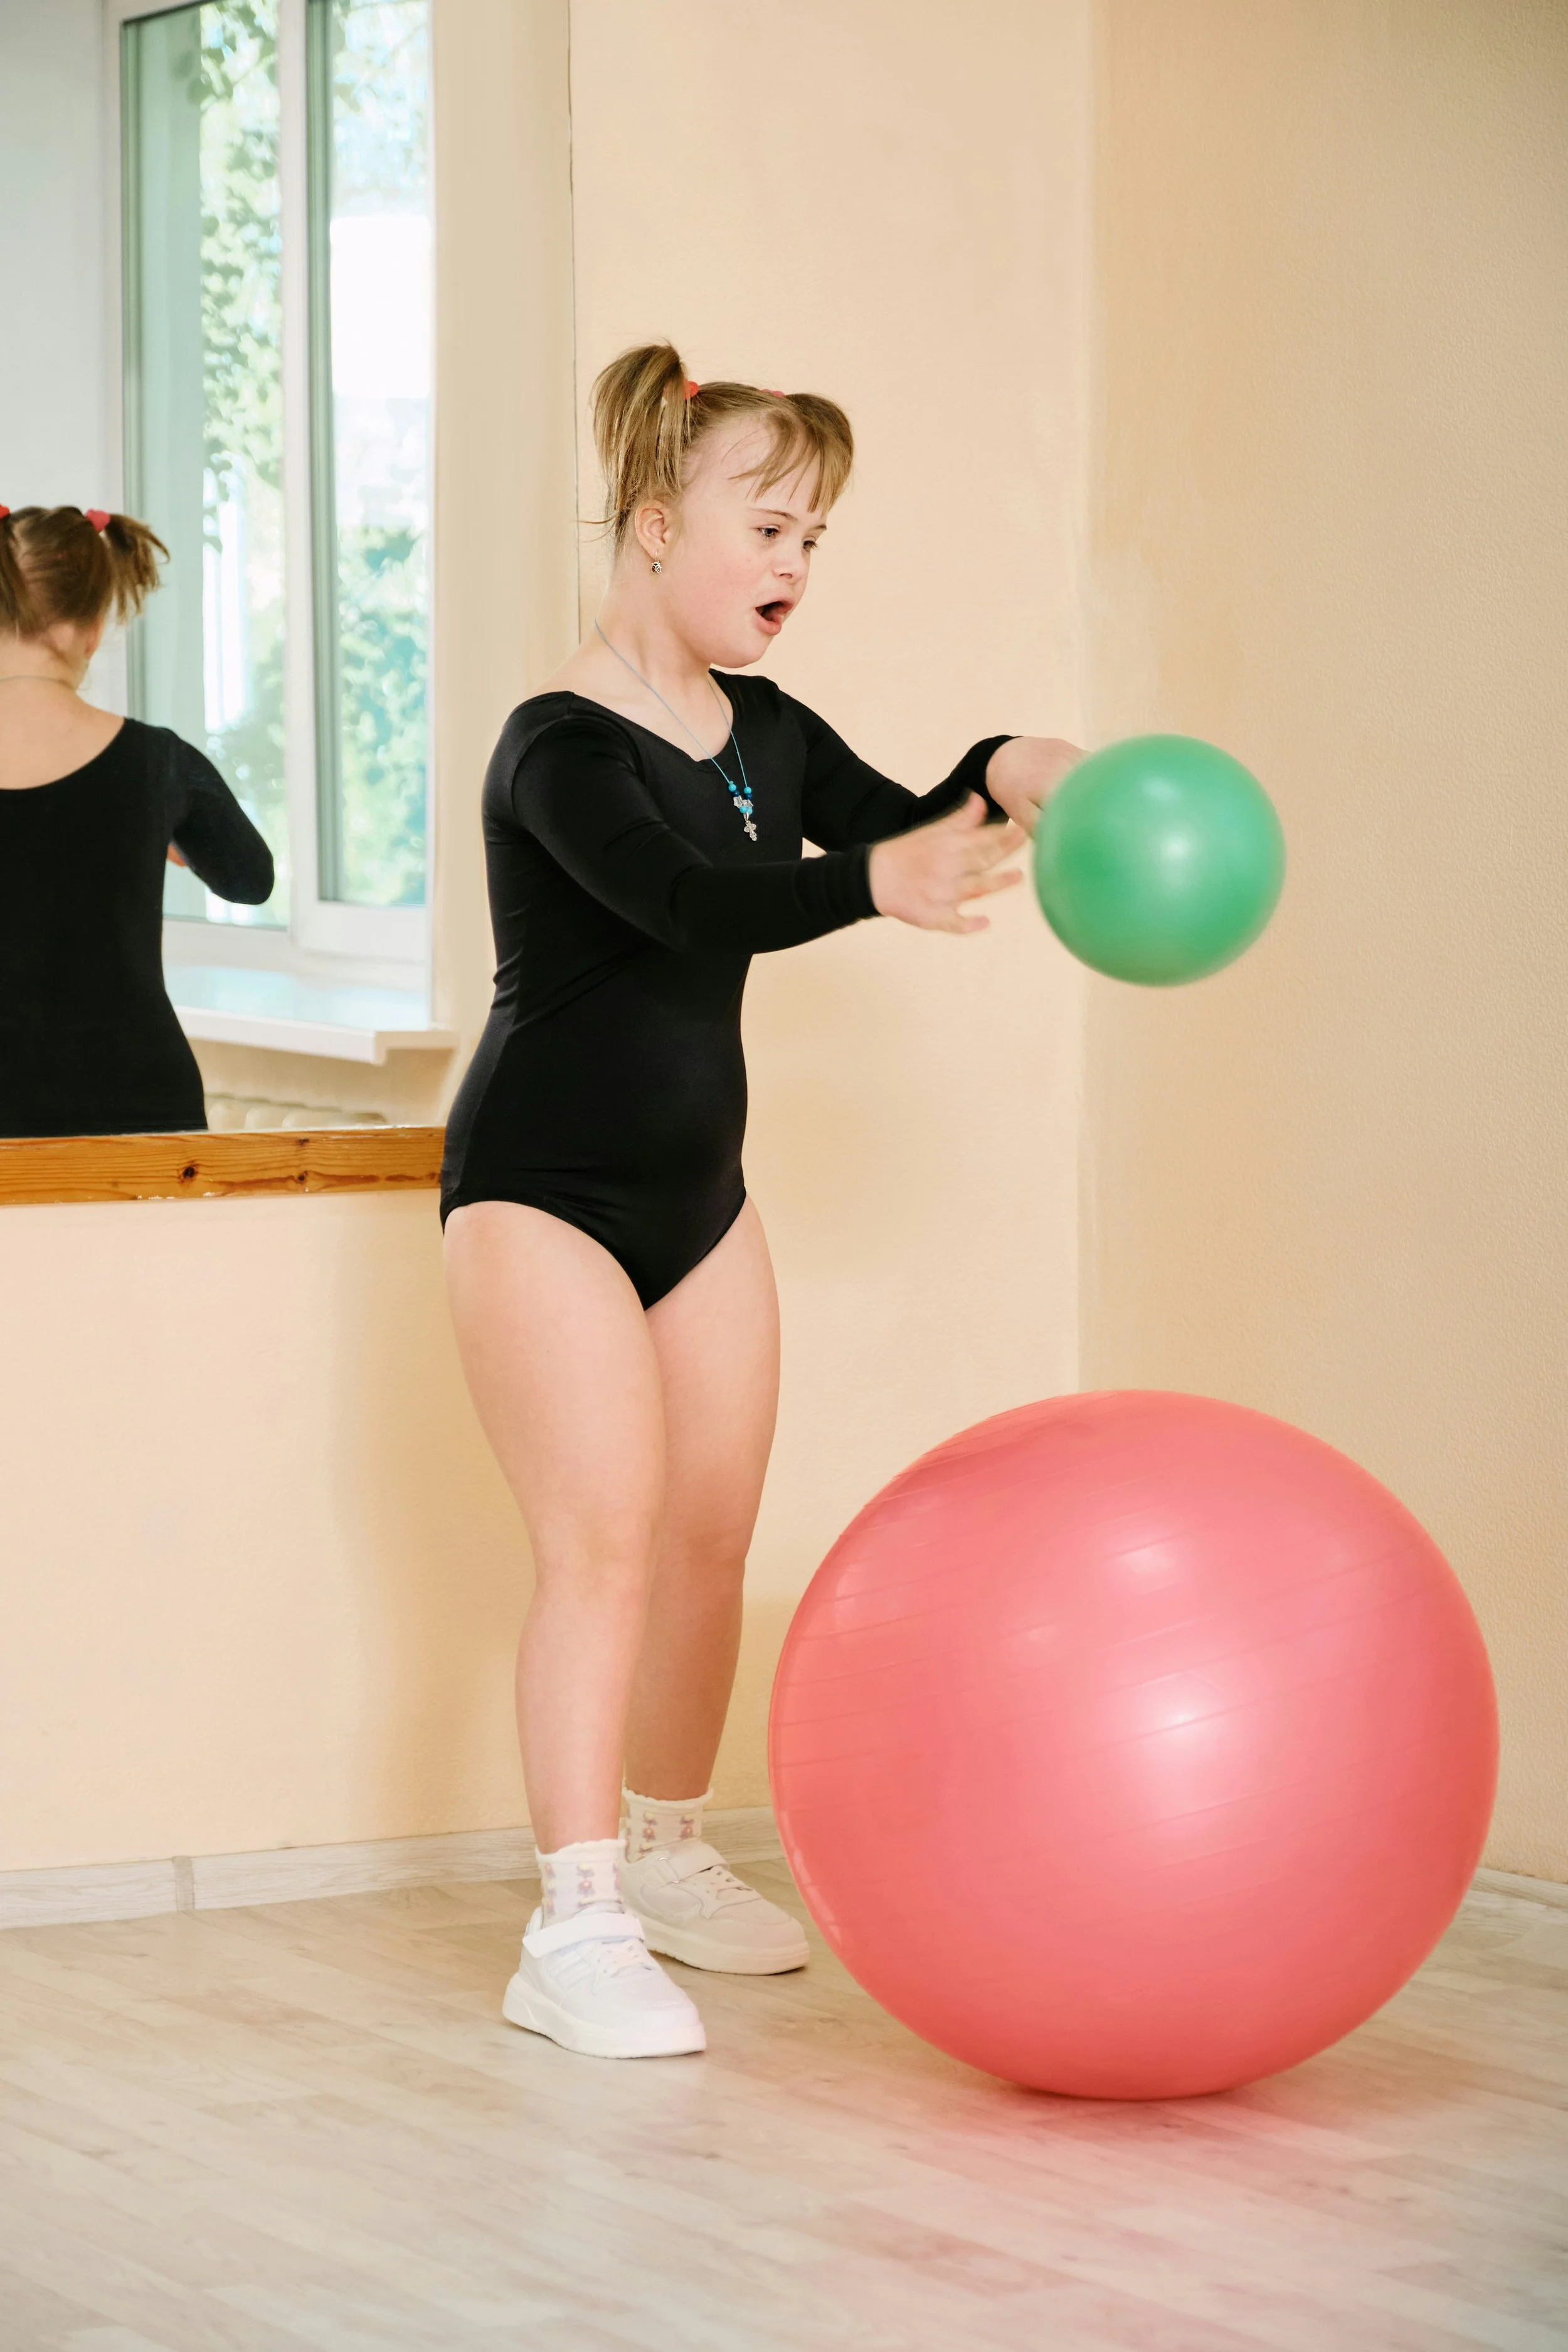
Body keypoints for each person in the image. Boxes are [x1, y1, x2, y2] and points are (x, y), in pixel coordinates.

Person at [442, 344, 1082, 2060]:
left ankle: (662, 1853)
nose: (797, 563)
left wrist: (1007, 761)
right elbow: (687, 898)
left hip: (695, 1194)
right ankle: (571, 1919)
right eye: (771, 526)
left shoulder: (768, 732)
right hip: (541, 1192)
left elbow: (900, 817)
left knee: (707, 1535)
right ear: (658, 524)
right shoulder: (558, 743)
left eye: (816, 537)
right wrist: (869, 882)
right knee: (598, 1542)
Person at [0, 504, 274, 1138]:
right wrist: (164, 832)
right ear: (94, 628)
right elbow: (249, 879)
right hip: (140, 1109)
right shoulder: (156, 764)